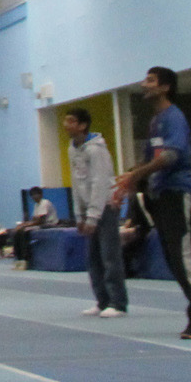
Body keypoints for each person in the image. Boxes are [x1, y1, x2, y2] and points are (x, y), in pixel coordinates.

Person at [114, 66, 191, 339]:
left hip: (177, 194)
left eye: (150, 80)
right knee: (175, 260)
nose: (144, 84)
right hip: (160, 196)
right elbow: (151, 158)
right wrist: (129, 180)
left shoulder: (174, 118)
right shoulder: (154, 122)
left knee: (183, 257)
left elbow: (171, 157)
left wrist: (138, 173)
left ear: (165, 87)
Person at [65, 107, 123, 317]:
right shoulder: (72, 149)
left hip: (104, 207)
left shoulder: (96, 150)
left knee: (109, 256)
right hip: (89, 207)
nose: (66, 125)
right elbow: (77, 183)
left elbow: (100, 183)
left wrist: (93, 215)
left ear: (82, 125)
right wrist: (79, 215)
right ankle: (102, 300)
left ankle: (118, 303)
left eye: (71, 121)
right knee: (93, 258)